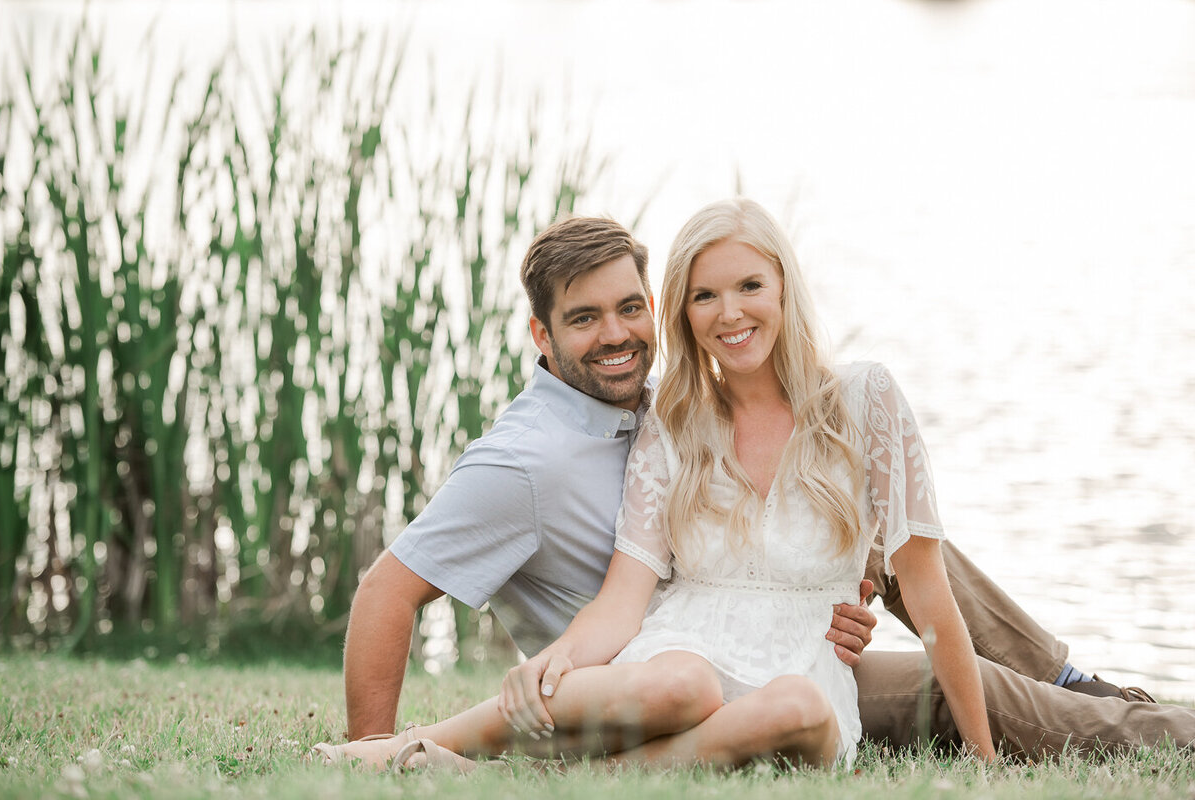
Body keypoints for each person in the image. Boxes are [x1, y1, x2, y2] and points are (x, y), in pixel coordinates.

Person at [332, 213, 1193, 768]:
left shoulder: (650, 410)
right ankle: (1136, 721)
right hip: (652, 667)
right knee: (988, 690)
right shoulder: (525, 461)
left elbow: (850, 540)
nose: (619, 336)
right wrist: (373, 744)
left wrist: (846, 573)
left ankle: (1077, 676)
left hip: (786, 626)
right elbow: (389, 588)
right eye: (585, 320)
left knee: (898, 529)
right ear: (541, 335)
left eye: (631, 308)